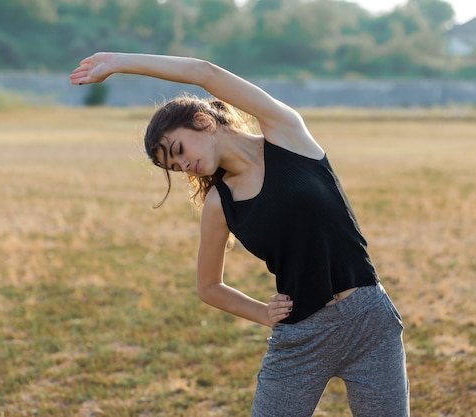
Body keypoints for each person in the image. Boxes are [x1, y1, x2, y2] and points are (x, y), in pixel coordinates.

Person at [70, 53, 409, 417]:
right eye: (174, 166)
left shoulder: (286, 133)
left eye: (179, 151)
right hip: (301, 337)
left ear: (203, 122)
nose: (184, 166)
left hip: (369, 322)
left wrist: (118, 62)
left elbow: (204, 72)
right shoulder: (220, 202)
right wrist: (263, 313)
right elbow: (208, 287)